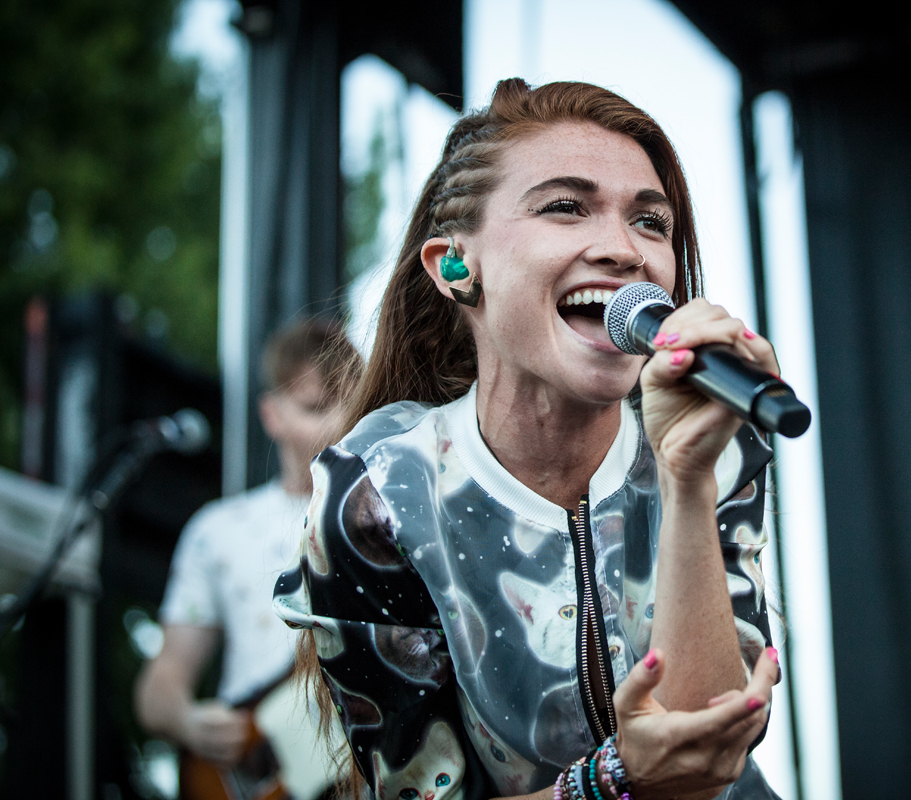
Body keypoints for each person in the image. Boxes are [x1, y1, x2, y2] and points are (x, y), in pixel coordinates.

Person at [274, 79, 783, 800]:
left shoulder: (713, 447)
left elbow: (706, 752)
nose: (623, 250)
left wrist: (687, 477)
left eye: (650, 223)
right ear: (455, 266)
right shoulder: (380, 492)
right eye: (566, 207)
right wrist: (609, 785)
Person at [135, 318, 360, 774]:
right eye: (317, 406)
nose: (340, 421)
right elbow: (159, 686)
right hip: (254, 774)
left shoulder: (396, 517)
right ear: (271, 414)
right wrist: (189, 722)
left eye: (351, 404)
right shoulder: (218, 530)